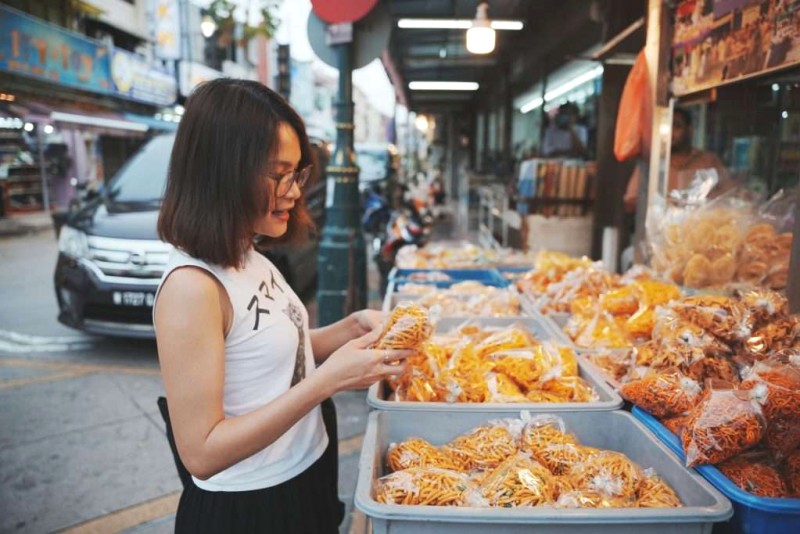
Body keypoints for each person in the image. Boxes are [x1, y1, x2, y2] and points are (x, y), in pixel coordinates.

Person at [154, 79, 411, 533]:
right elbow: (202, 452)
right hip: (251, 507)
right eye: (281, 174)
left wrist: (351, 328)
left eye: (298, 174)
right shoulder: (191, 287)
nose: (295, 191)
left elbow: (263, 351)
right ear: (225, 171)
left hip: (306, 471)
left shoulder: (246, 253)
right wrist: (324, 383)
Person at [623, 107, 730, 213]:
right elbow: (631, 202)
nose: (671, 132)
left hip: (699, 226)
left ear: (690, 130)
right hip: (661, 227)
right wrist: (663, 204)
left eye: (676, 126)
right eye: (667, 127)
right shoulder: (652, 162)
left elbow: (729, 195)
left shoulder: (708, 160)